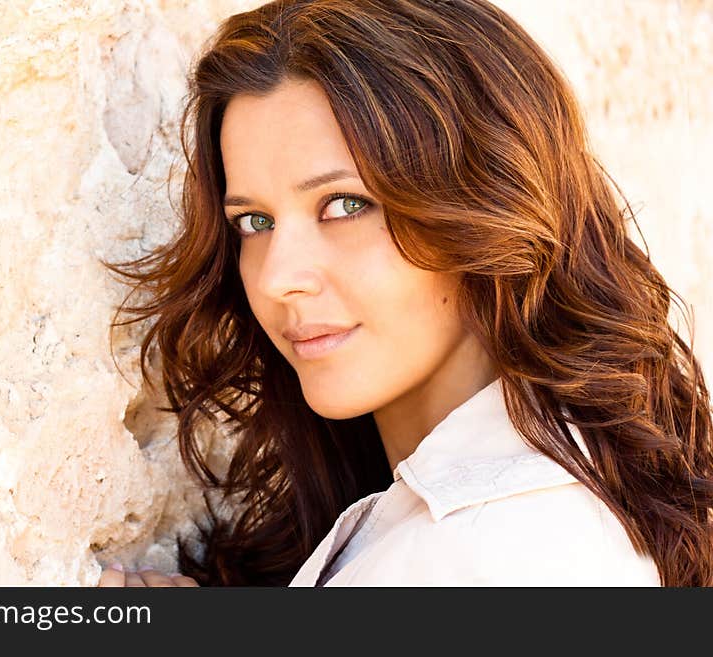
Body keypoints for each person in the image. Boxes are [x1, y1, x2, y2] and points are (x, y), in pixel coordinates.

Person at [97, 0, 713, 587]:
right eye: (255, 222)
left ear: (486, 210)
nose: (278, 276)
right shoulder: (433, 525)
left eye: (345, 205)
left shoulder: (506, 554)